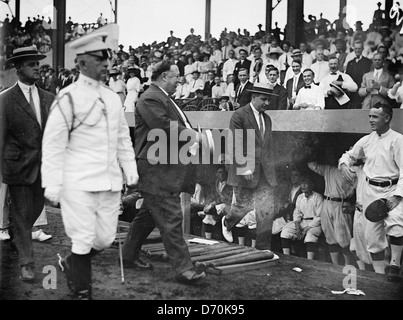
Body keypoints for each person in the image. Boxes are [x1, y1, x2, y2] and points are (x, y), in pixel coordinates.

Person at [41, 32, 139, 300]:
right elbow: (52, 144)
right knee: (83, 238)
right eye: (99, 58)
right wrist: (52, 182)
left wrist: (130, 170)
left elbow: (122, 139)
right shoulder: (68, 98)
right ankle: (82, 292)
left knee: (105, 239)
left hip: (108, 181)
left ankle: (72, 263)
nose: (106, 64)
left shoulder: (112, 98)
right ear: (82, 63)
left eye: (107, 58)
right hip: (79, 183)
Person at [121, 60, 207, 284]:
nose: (180, 79)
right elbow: (162, 126)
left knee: (147, 216)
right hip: (156, 170)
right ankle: (184, 268)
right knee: (171, 217)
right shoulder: (150, 97)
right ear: (162, 77)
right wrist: (192, 135)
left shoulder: (162, 98)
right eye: (175, 75)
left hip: (161, 169)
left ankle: (127, 256)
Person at [0, 46, 55, 281]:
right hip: (18, 167)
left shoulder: (49, 98)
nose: (37, 68)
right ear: (18, 67)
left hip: (44, 168)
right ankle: (27, 262)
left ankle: (15, 232)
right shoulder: (5, 99)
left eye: (37, 63)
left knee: (33, 210)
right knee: (22, 213)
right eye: (31, 64)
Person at [339, 102, 403, 281]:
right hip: (370, 191)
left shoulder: (398, 140)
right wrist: (344, 164)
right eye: (370, 116)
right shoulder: (367, 140)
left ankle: (395, 265)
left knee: (396, 224)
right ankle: (380, 277)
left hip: (392, 190)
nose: (371, 120)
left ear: (387, 118)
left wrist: (397, 196)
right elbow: (349, 155)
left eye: (375, 116)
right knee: (373, 241)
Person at [222, 83, 278, 250]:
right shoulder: (239, 115)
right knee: (242, 207)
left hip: (265, 173)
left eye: (269, 100)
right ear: (253, 97)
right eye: (264, 99)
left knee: (266, 210)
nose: (267, 103)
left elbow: (268, 147)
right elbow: (236, 143)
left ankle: (263, 249)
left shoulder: (267, 119)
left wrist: (271, 172)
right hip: (245, 170)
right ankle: (227, 222)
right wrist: (245, 167)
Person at [308, 146, 356, 266]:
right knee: (330, 237)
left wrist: (354, 206)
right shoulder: (328, 169)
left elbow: (361, 190)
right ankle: (335, 265)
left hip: (342, 204)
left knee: (344, 238)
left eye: (332, 155)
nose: (330, 157)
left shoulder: (351, 171)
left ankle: (348, 265)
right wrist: (312, 148)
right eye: (328, 155)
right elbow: (311, 164)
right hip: (327, 204)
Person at [280, 175, 323, 260]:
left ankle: (309, 261)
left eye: (306, 184)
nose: (303, 186)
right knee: (285, 230)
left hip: (315, 224)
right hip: (303, 222)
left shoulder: (318, 197)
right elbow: (297, 212)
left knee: (310, 236)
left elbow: (319, 217)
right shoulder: (300, 197)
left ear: (311, 185)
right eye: (302, 184)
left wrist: (306, 229)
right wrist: (297, 226)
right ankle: (287, 258)